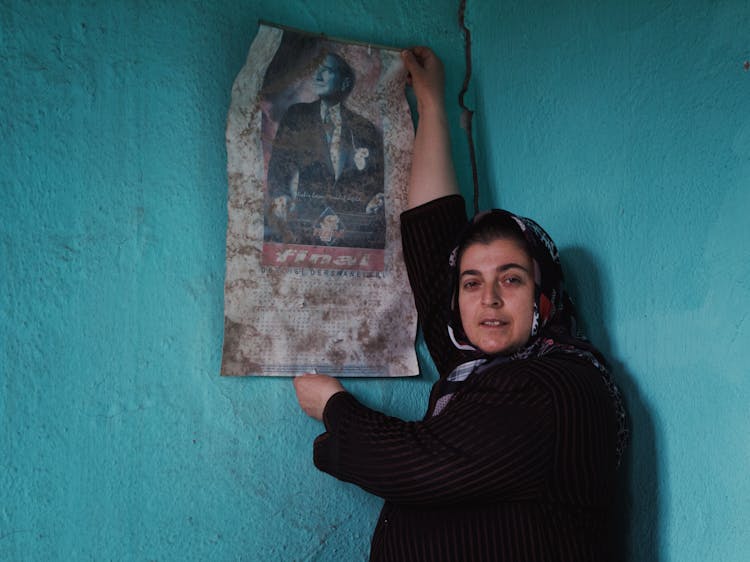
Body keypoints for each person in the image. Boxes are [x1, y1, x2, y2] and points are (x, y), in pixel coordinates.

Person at [294, 46, 627, 561]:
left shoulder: (556, 387)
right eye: (471, 283)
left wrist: (334, 411)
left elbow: (422, 465)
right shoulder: (485, 367)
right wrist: (430, 104)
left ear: (545, 293)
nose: (488, 298)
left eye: (511, 280)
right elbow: (433, 247)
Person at [265, 52, 385, 249]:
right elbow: (280, 160)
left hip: (350, 230)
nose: (317, 76)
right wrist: (280, 194)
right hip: (305, 225)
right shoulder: (297, 115)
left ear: (345, 83)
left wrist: (375, 198)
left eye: (326, 71)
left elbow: (374, 179)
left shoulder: (364, 127)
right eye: (316, 70)